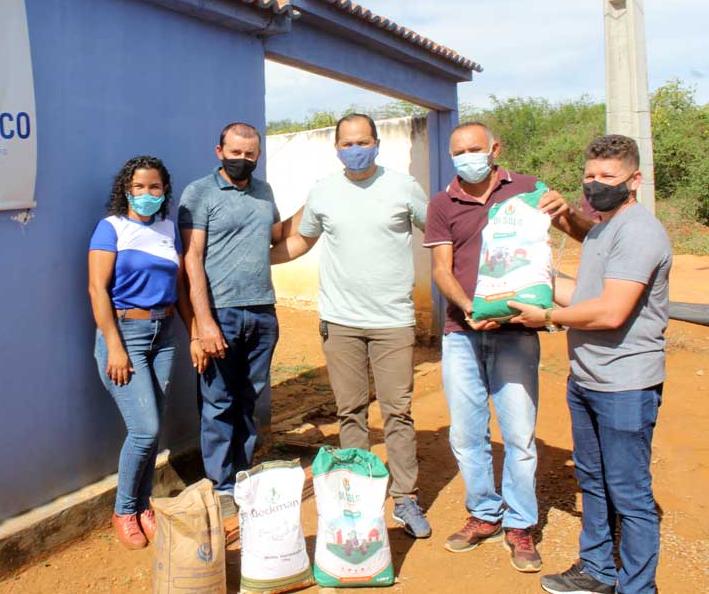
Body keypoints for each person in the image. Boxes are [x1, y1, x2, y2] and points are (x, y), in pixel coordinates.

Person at [423, 121, 593, 573]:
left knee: (519, 436)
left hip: (517, 331)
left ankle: (519, 524)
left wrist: (565, 213)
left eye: (475, 149)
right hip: (462, 333)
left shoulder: (529, 190)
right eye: (458, 151)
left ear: (494, 148)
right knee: (465, 434)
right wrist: (465, 306)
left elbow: (585, 236)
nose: (466, 157)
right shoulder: (443, 203)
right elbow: (441, 269)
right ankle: (483, 513)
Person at [508, 135, 671, 594]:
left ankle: (638, 588)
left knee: (630, 494)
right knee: (594, 481)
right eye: (590, 177)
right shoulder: (603, 227)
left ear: (634, 180)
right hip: (588, 378)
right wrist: (524, 280)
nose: (597, 184)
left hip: (625, 383)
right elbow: (585, 293)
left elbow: (610, 312)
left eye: (609, 177)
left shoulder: (639, 230)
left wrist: (546, 316)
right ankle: (597, 570)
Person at [270, 113, 432, 538]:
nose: (356, 148)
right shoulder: (324, 192)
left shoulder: (403, 187)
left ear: (377, 143)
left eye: (363, 141)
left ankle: (405, 498)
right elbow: (300, 240)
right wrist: (252, 258)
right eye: (347, 142)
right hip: (340, 322)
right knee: (350, 412)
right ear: (337, 147)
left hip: (393, 321)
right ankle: (358, 494)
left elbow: (437, 230)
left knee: (398, 412)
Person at [88, 155, 203, 549]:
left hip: (164, 335)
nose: (147, 194)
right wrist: (115, 347)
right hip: (125, 335)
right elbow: (96, 290)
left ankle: (142, 505)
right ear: (126, 189)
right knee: (145, 430)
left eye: (155, 187)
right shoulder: (111, 228)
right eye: (139, 187)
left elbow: (182, 288)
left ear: (165, 191)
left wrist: (193, 333)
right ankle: (124, 511)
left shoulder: (169, 230)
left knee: (150, 431)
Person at [178, 122, 282, 518]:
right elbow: (191, 259)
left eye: (250, 153)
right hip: (219, 314)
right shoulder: (199, 192)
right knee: (218, 402)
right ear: (219, 150)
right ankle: (221, 486)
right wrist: (203, 322)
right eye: (235, 152)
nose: (242, 160)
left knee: (249, 401)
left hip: (262, 313)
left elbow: (275, 239)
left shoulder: (265, 192)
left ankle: (245, 477)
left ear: (258, 154)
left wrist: (319, 213)